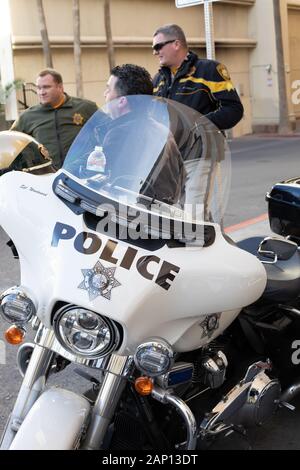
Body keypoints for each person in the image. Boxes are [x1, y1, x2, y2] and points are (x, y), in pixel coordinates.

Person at [152, 24, 244, 131]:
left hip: (203, 146)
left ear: (176, 44)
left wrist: (198, 125)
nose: (155, 52)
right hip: (170, 147)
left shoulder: (209, 69)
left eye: (158, 47)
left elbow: (233, 109)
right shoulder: (157, 80)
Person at [11, 68, 98, 169]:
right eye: (38, 88)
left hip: (82, 175)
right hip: (46, 177)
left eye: (46, 87)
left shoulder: (86, 107)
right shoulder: (27, 117)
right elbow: (12, 144)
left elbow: (111, 130)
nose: (41, 92)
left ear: (60, 87)